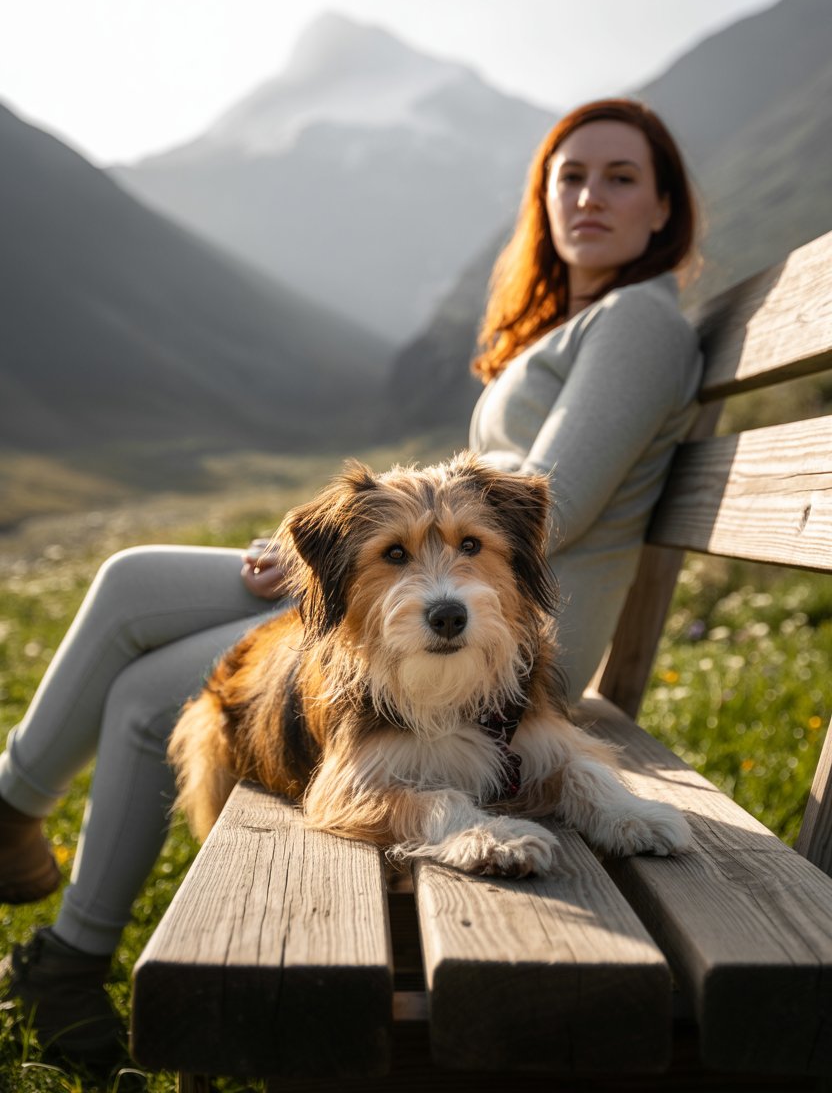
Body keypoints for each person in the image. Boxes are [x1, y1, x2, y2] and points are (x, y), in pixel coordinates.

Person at [0, 98, 702, 1071]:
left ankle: (50, 908)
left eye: (620, 177)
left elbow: (554, 502)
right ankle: (53, 914)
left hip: (505, 632)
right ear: (541, 198)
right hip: (436, 593)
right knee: (133, 625)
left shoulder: (634, 322)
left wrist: (346, 571)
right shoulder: (576, 321)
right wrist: (336, 555)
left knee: (139, 651)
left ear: (664, 206)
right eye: (568, 177)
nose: (589, 196)